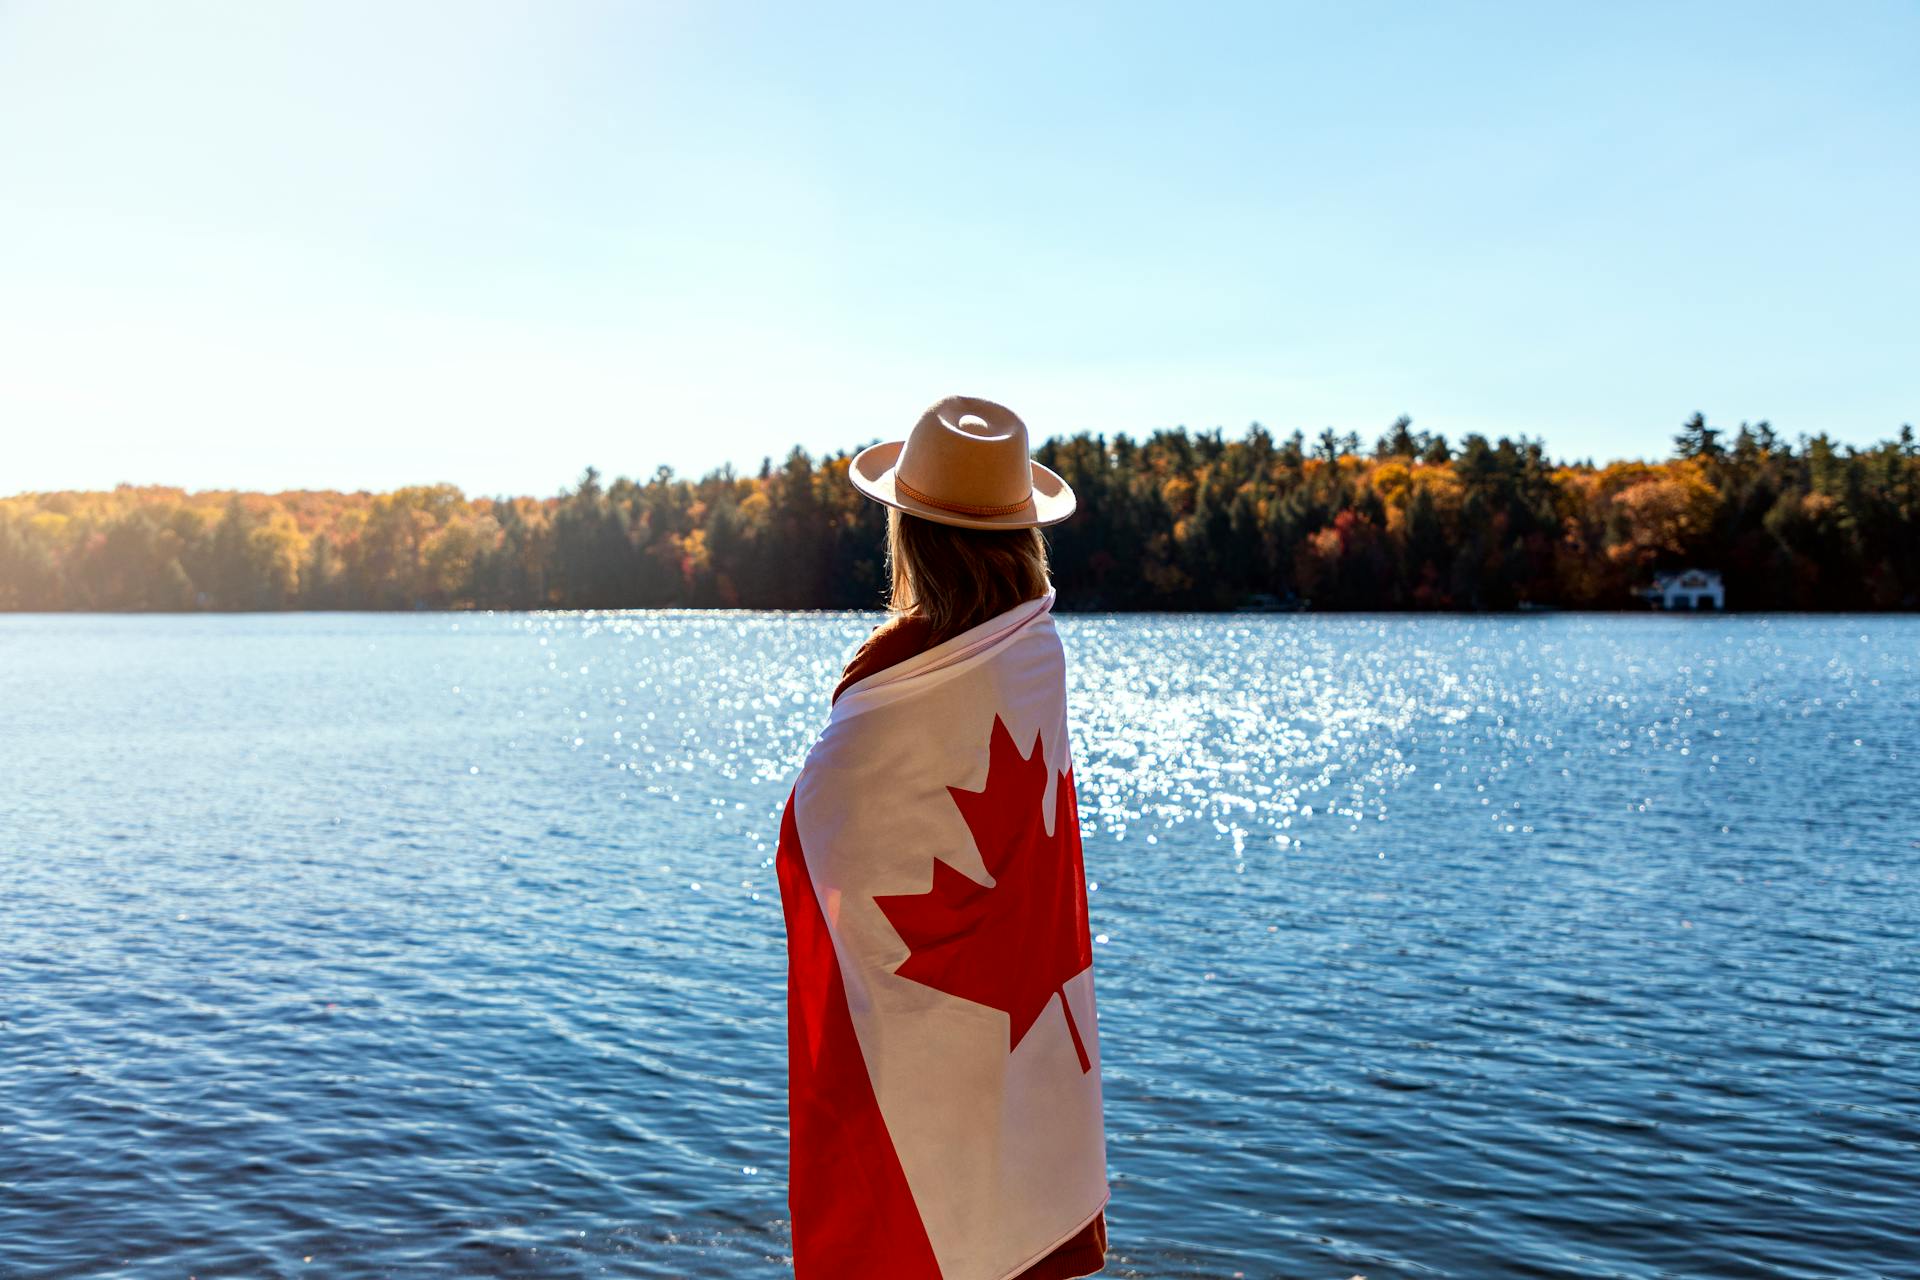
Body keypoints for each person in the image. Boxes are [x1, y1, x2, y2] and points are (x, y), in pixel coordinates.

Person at [775, 396, 1109, 1279]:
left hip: (920, 1015)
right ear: (1020, 535)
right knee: (1005, 1194)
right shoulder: (1037, 649)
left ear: (908, 534)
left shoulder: (891, 668)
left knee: (922, 1212)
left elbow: (826, 831)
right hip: (1019, 999)